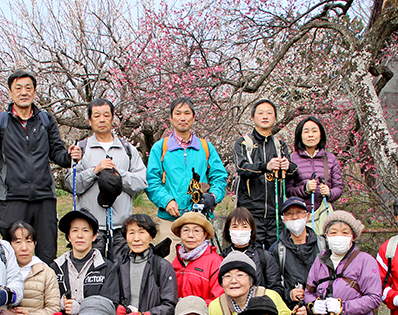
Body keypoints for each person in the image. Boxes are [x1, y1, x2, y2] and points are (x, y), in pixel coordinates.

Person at [0, 69, 81, 262]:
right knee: (13, 253)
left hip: (44, 197)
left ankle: (46, 291)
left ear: (35, 91)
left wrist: (71, 156)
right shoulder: (0, 121)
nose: (24, 92)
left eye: (28, 88)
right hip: (13, 197)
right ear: (10, 93)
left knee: (47, 253)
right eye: (18, 88)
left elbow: (58, 154)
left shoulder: (46, 120)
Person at [66, 98, 148, 263]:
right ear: (89, 121)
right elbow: (72, 184)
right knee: (91, 274)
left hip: (121, 227)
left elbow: (142, 182)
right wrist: (95, 171)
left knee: (121, 276)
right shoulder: (80, 149)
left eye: (106, 115)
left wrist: (117, 176)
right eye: (96, 116)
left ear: (113, 119)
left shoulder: (127, 149)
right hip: (90, 227)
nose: (101, 120)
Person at [145, 97, 228, 247]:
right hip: (170, 220)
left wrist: (213, 196)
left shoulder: (205, 147)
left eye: (187, 113)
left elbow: (220, 177)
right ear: (170, 118)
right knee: (169, 267)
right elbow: (151, 181)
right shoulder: (160, 148)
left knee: (202, 267)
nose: (182, 118)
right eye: (177, 113)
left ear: (194, 117)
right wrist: (166, 200)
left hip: (200, 220)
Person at [209, 251, 306, 315]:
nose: (233, 281)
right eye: (227, 276)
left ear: (251, 281)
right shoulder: (216, 306)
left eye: (240, 275)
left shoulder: (270, 296)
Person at [233, 99, 295, 248]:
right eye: (260, 113)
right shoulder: (243, 143)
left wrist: (288, 166)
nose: (265, 116)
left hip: (275, 213)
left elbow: (293, 171)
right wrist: (265, 166)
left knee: (276, 254)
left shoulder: (279, 145)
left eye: (269, 113)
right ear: (253, 118)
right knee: (251, 254)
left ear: (275, 118)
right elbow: (241, 168)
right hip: (251, 212)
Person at [50, 209, 122, 315]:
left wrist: (81, 309)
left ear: (94, 236)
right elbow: (45, 302)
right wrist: (59, 304)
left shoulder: (107, 268)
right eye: (75, 230)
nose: (80, 235)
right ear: (69, 236)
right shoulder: (55, 268)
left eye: (85, 230)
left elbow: (110, 305)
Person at [6, 221, 62, 315]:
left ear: (35, 244)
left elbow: (54, 308)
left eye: (29, 242)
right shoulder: (2, 271)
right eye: (17, 242)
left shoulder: (45, 272)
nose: (24, 248)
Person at [221, 207, 284, 297]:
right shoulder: (222, 258)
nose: (239, 230)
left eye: (244, 226)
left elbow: (276, 288)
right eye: (235, 226)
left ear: (252, 229)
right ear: (228, 230)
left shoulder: (264, 257)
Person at [287, 116, 343, 213]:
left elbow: (338, 187)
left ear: (321, 135)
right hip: (300, 215)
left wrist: (329, 192)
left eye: (314, 131)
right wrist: (305, 189)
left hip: (324, 213)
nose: (310, 135)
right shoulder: (292, 159)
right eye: (306, 131)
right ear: (300, 135)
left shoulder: (330, 158)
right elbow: (288, 190)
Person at [170, 212, 223, 303]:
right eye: (186, 230)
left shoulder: (215, 261)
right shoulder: (177, 259)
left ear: (205, 235)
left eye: (196, 231)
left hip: (203, 314)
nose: (190, 235)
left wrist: (194, 306)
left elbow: (219, 298)